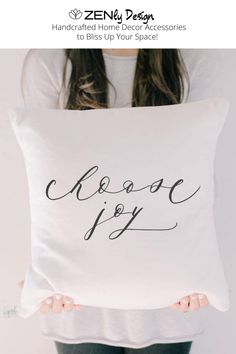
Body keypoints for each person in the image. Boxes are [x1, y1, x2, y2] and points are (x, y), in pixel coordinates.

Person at [19, 48, 223, 354]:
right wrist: (44, 276)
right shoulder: (50, 62)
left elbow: (196, 174)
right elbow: (46, 180)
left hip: (169, 308)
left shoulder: (192, 61)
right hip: (75, 310)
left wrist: (196, 270)